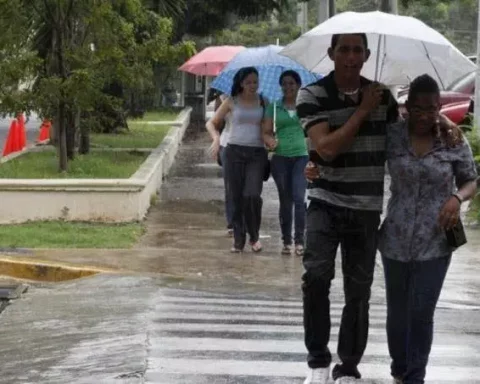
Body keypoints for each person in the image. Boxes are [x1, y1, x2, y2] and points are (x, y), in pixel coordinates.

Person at [296, 33, 399, 384]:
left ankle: (349, 366)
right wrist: (363, 111)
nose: (351, 56)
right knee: (316, 278)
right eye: (344, 49)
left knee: (359, 291)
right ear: (332, 53)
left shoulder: (384, 96)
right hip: (325, 203)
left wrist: (444, 128)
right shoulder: (313, 94)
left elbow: (401, 142)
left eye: (358, 50)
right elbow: (326, 149)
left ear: (367, 55)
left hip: (367, 209)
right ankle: (318, 362)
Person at [379, 74, 477, 384]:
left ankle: (414, 377)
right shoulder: (392, 136)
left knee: (421, 311)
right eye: (418, 108)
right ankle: (399, 368)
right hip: (395, 237)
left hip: (436, 240)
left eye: (432, 108)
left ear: (439, 107)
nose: (424, 115)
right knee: (397, 312)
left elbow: (471, 179)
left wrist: (456, 198)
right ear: (407, 107)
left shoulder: (452, 140)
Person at [206, 67, 268, 253]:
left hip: (257, 153)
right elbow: (211, 122)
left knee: (252, 195)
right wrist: (216, 139)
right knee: (235, 196)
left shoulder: (264, 101)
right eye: (248, 82)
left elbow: (267, 128)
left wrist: (271, 139)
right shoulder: (231, 101)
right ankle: (239, 240)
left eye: (255, 82)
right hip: (233, 152)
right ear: (241, 83)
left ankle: (254, 236)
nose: (252, 85)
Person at [263, 70, 309, 256]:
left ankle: (300, 241)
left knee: (299, 197)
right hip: (280, 158)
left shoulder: (306, 106)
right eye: (284, 83)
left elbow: (314, 129)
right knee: (285, 200)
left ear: (298, 85)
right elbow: (265, 131)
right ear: (281, 86)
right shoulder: (274, 107)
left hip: (301, 156)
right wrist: (269, 141)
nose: (288, 87)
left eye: (291, 83)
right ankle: (286, 241)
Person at [206, 91, 234, 236]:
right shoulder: (225, 99)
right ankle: (232, 223)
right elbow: (214, 124)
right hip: (227, 146)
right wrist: (216, 139)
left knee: (249, 191)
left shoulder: (260, 99)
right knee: (231, 187)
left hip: (251, 148)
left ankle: (245, 219)